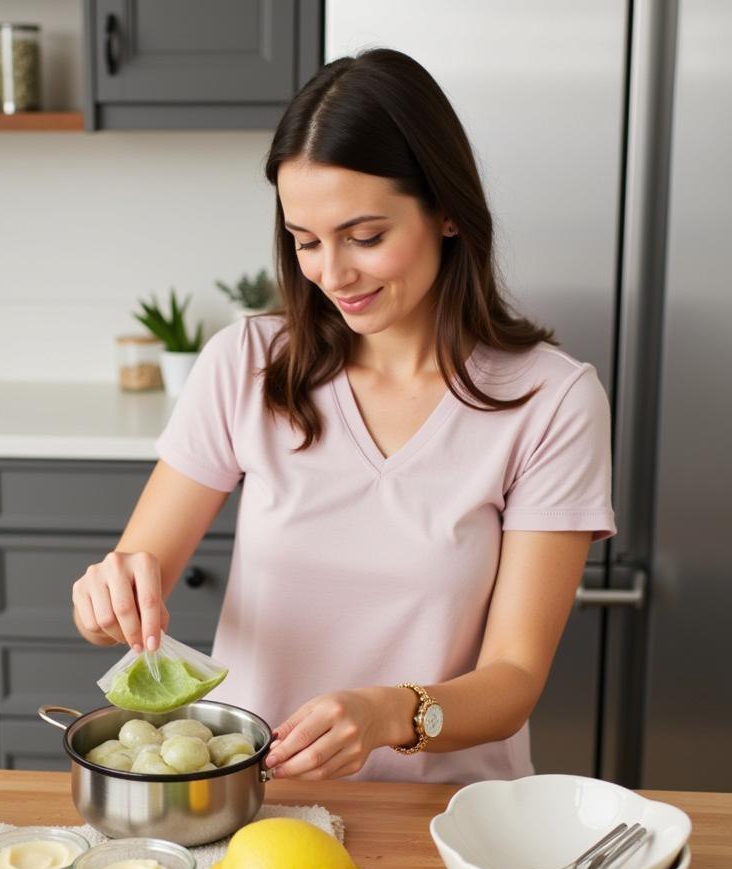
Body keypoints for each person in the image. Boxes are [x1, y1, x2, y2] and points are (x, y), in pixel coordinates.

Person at [71, 49, 615, 784]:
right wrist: (110, 593)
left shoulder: (551, 401)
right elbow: (137, 578)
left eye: (366, 237)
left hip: (449, 819)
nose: (332, 273)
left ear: (448, 211)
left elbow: (514, 679)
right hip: (260, 800)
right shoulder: (247, 363)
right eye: (305, 242)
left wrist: (390, 713)